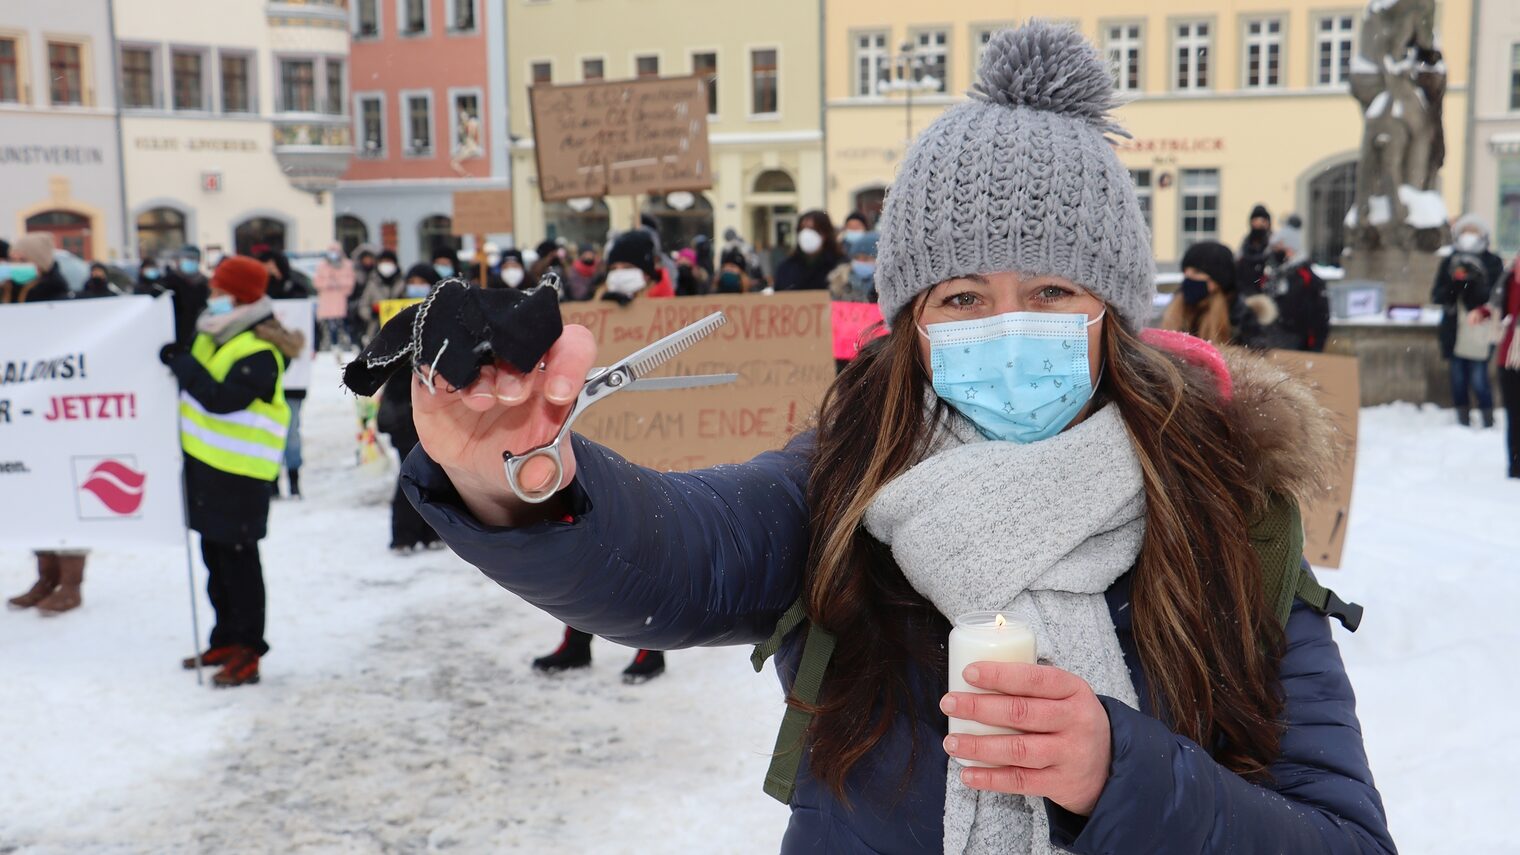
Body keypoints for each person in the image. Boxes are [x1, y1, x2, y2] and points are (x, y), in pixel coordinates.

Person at [398, 24, 1392, 852]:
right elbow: (677, 552)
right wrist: (521, 477)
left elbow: (1340, 837)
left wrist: (1120, 774)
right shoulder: (846, 484)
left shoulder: (1226, 512)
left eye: (1049, 291)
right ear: (908, 321)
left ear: (1112, 312)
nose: (1007, 326)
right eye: (961, 296)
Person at [160, 255, 290, 688]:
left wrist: (182, 365)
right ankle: (224, 638)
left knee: (240, 566)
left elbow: (220, 398)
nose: (211, 296)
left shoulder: (261, 350)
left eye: (218, 290)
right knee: (214, 561)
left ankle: (248, 650)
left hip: (241, 476)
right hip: (204, 468)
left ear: (237, 296)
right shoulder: (211, 333)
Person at [378, 264, 445, 553]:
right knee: (412, 471)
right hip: (402, 408)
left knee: (432, 472)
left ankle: (429, 532)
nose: (416, 286)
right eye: (412, 281)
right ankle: (403, 535)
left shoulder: (443, 318)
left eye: (423, 281)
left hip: (434, 408)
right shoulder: (398, 316)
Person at [1433, 214, 1505, 427]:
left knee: (1479, 377)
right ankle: (1462, 417)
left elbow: (1495, 297)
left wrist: (1476, 282)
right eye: (1465, 233)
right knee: (1457, 378)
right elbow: (1438, 295)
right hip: (1455, 329)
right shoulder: (1450, 261)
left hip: (1480, 331)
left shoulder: (1493, 262)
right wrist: (1456, 284)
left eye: (1473, 233)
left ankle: (1487, 416)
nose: (1469, 237)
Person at [1160, 240, 1272, 348]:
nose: (1188, 277)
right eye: (1185, 271)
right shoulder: (1177, 309)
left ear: (1218, 281)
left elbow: (1255, 355)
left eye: (1197, 272)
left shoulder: (1241, 318)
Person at [1257, 216, 1330, 352]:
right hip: (1272, 345)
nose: (1274, 252)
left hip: (1299, 348)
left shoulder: (1308, 279)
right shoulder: (1272, 276)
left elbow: (1319, 318)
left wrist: (1315, 348)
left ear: (1290, 249)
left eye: (1279, 247)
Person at [774, 211, 848, 292]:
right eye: (802, 229)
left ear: (825, 233)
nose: (806, 234)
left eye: (812, 229)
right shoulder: (786, 268)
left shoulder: (841, 265)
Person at [1495, 258, 1520, 476]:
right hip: (1507, 357)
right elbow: (1494, 308)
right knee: (1513, 413)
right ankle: (1514, 464)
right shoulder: (1506, 280)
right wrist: (1482, 313)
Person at [3, 233, 70, 303]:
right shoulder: (9, 287)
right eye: (12, 260)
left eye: (23, 260)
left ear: (41, 263)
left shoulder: (58, 294)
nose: (16, 265)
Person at [314, 242, 355, 351]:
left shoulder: (347, 264)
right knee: (325, 327)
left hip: (340, 301)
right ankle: (326, 346)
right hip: (326, 302)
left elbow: (350, 284)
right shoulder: (322, 265)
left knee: (341, 325)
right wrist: (328, 283)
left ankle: (344, 345)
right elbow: (317, 283)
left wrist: (338, 284)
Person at [358, 249, 404, 342]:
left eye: (389, 261)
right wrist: (372, 312)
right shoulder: (372, 284)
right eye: (383, 262)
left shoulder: (402, 283)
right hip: (376, 330)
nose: (386, 264)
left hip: (400, 328)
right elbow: (362, 307)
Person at [1236, 204, 1273, 295]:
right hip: (1246, 290)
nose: (1259, 224)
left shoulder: (1273, 244)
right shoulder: (1245, 243)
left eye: (1263, 221)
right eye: (1255, 220)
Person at [834, 230, 879, 303]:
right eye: (857, 258)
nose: (860, 262)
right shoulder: (839, 282)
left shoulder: (884, 288)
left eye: (866, 258)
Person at [348, 243, 380, 343]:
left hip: (374, 307)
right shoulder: (355, 274)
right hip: (360, 309)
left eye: (370, 258)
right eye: (365, 259)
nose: (368, 261)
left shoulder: (376, 275)